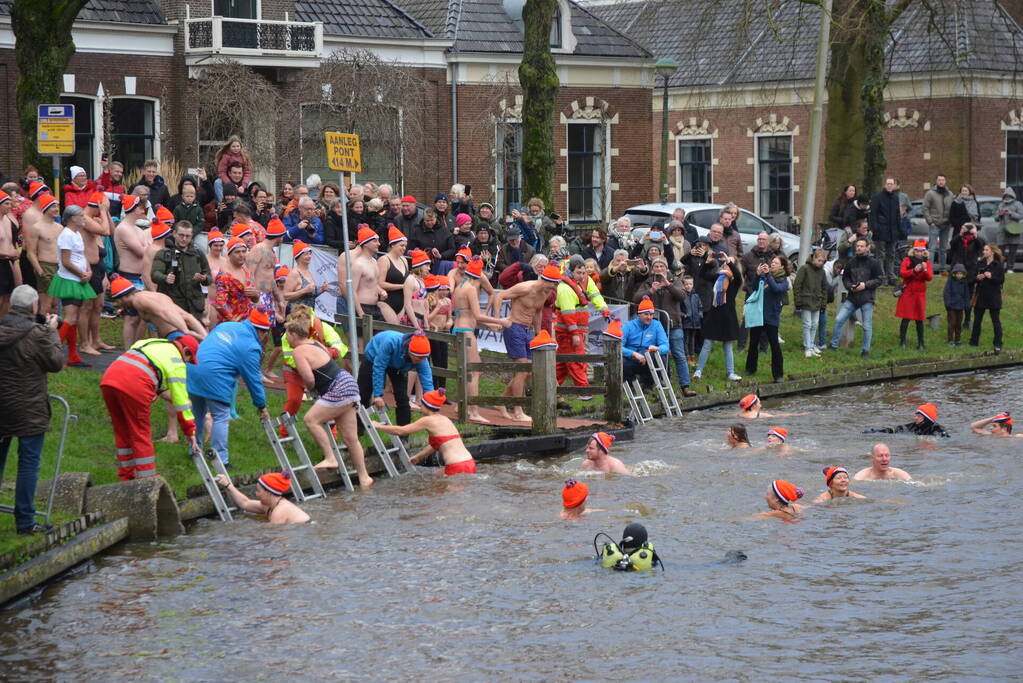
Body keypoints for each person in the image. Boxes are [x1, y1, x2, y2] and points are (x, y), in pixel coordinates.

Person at [0, 286, 63, 534]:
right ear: (34, 307)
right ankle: (25, 522)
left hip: (1, 405)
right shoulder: (39, 334)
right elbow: (56, 363)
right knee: (27, 463)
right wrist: (52, 333)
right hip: (29, 407)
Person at [284, 312, 371, 487]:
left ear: (293, 335)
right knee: (351, 439)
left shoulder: (298, 351)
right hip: (350, 384)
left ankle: (331, 458)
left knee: (311, 420)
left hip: (337, 388)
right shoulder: (317, 343)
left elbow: (308, 378)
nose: (286, 338)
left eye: (287, 335)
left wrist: (310, 390)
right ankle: (364, 477)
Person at [100, 333, 200, 480]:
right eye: (189, 360)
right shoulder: (177, 362)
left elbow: (153, 374)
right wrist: (190, 432)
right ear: (186, 352)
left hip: (109, 379)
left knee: (122, 431)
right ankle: (148, 482)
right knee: (140, 434)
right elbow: (181, 403)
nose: (187, 364)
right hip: (134, 385)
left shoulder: (152, 342)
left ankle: (126, 477)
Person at [187, 309, 272, 467]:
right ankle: (221, 461)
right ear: (262, 332)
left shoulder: (227, 325)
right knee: (221, 417)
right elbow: (254, 381)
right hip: (215, 375)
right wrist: (261, 406)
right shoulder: (251, 347)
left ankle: (194, 451)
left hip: (193, 368)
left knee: (197, 415)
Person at [489, 264, 562, 422]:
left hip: (527, 330)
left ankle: (501, 402)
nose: (556, 287)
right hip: (514, 327)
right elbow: (499, 296)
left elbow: (538, 311)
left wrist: (538, 333)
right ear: (546, 280)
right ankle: (517, 410)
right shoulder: (525, 288)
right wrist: (497, 320)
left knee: (529, 371)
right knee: (522, 371)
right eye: (554, 283)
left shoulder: (546, 291)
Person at [451, 257, 511, 423]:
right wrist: (500, 321)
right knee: (474, 371)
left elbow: (470, 315)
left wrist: (491, 325)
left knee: (465, 370)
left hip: (459, 329)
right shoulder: (470, 288)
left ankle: (459, 405)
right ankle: (473, 411)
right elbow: (476, 315)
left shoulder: (460, 286)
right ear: (477, 276)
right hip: (466, 331)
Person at [279, 304, 347, 436]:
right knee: (294, 400)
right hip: (295, 372)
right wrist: (311, 361)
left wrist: (328, 353)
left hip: (320, 372)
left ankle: (333, 435)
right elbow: (290, 358)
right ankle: (284, 433)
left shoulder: (322, 327)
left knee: (329, 401)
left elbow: (340, 347)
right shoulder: (288, 334)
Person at [374, 388, 476, 475]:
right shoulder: (445, 419)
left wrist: (379, 426)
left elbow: (401, 431)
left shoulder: (427, 420)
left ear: (426, 406)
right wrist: (419, 457)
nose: (420, 407)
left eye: (421, 404)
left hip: (456, 465)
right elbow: (438, 444)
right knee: (435, 477)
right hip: (469, 463)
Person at [633, 257, 695, 396]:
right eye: (656, 266)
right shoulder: (648, 282)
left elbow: (682, 296)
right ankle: (655, 384)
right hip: (654, 326)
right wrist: (650, 291)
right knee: (655, 355)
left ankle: (685, 386)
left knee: (679, 355)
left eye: (662, 266)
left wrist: (669, 285)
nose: (659, 269)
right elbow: (636, 299)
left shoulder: (675, 280)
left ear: (666, 268)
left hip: (673, 324)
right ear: (653, 268)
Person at [49, 205, 97, 366]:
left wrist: (88, 271)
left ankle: (72, 356)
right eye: (81, 215)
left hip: (78, 278)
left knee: (75, 318)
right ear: (72, 218)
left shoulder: (76, 233)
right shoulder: (66, 235)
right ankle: (53, 356)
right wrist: (81, 274)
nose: (84, 217)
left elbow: (81, 256)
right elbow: (66, 261)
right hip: (69, 279)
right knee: (70, 317)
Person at [359, 330, 433, 427]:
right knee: (363, 394)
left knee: (403, 399)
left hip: (398, 367)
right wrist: (378, 395)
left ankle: (404, 435)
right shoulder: (391, 342)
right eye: (419, 359)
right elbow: (379, 367)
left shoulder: (421, 357)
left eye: (424, 358)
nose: (422, 361)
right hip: (374, 357)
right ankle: (357, 431)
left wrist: (431, 404)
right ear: (410, 352)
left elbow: (427, 379)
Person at [826, 238, 883, 357]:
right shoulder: (851, 262)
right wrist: (849, 286)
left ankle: (865, 350)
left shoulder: (874, 263)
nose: (859, 248)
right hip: (852, 297)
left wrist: (865, 285)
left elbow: (879, 279)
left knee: (867, 326)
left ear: (867, 248)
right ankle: (834, 345)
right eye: (857, 246)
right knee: (838, 320)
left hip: (867, 298)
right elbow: (845, 278)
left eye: (861, 246)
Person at [692, 251, 743, 382]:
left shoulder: (734, 281)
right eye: (725, 262)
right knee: (707, 343)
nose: (726, 264)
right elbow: (703, 275)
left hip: (728, 316)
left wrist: (729, 262)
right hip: (714, 314)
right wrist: (707, 263)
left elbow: (738, 276)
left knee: (727, 346)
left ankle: (731, 372)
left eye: (729, 262)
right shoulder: (718, 277)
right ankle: (698, 370)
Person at [107, 276, 207, 339]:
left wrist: (186, 331)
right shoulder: (154, 296)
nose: (118, 304)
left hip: (174, 337)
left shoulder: (139, 301)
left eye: (117, 301)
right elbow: (187, 316)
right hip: (178, 335)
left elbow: (165, 312)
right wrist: (205, 337)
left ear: (124, 297)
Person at [151, 221, 211, 322]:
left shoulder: (198, 254)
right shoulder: (165, 253)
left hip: (194, 307)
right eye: (181, 235)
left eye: (187, 236)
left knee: (194, 336)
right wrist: (165, 278)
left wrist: (203, 278)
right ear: (174, 233)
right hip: (173, 306)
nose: (184, 239)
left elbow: (209, 277)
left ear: (192, 236)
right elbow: (154, 274)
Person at [745, 255, 790, 382]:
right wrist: (758, 274)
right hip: (759, 315)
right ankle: (750, 368)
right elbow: (754, 288)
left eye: (776, 263)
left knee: (774, 345)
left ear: (781, 266)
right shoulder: (765, 276)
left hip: (772, 316)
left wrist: (768, 275)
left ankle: (778, 374)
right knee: (753, 342)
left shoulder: (783, 280)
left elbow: (776, 289)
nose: (773, 264)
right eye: (772, 262)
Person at [113, 194, 151, 347]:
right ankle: (129, 350)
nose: (143, 211)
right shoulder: (123, 228)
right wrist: (149, 245)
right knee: (131, 317)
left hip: (140, 275)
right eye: (141, 208)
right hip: (129, 276)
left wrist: (148, 245)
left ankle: (137, 348)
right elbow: (142, 252)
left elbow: (148, 247)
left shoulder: (136, 228)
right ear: (133, 209)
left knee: (141, 316)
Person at [214, 471, 310, 524]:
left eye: (259, 491)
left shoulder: (279, 511)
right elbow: (245, 503)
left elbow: (273, 537)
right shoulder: (269, 506)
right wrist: (228, 485)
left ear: (269, 493)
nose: (256, 494)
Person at [621, 297, 669, 388]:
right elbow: (619, 347)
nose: (649, 317)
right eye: (646, 314)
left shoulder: (657, 325)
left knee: (660, 357)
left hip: (648, 358)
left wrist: (657, 349)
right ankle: (632, 386)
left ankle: (647, 384)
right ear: (639, 314)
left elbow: (666, 346)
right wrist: (634, 354)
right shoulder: (628, 326)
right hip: (631, 359)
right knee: (621, 362)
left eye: (651, 314)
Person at [895, 240, 933, 350]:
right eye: (917, 250)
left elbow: (929, 277)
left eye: (921, 251)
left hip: (919, 293)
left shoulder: (927, 263)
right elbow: (902, 273)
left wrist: (924, 270)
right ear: (913, 251)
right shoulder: (907, 260)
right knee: (906, 318)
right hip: (908, 292)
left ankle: (921, 343)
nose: (919, 253)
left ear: (924, 252)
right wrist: (914, 271)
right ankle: (902, 342)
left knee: (919, 319)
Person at [969, 244, 1005, 351]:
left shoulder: (998, 265)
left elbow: (1001, 280)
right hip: (981, 295)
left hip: (994, 296)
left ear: (992, 252)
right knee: (977, 320)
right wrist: (977, 278)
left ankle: (998, 343)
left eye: (986, 250)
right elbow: (972, 278)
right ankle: (974, 341)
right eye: (984, 250)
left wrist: (991, 276)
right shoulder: (980, 263)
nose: (984, 252)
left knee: (996, 320)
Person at [213, 237, 257, 323]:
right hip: (231, 325)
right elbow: (219, 304)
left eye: (244, 251)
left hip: (248, 321)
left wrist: (256, 295)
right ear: (229, 254)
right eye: (237, 252)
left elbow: (253, 299)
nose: (241, 255)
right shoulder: (224, 275)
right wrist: (233, 321)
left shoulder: (246, 271)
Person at [793, 249, 828, 358]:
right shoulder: (804, 268)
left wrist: (823, 303)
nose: (820, 263)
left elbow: (824, 288)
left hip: (817, 301)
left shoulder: (822, 272)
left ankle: (812, 345)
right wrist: (798, 301)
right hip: (806, 301)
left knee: (814, 325)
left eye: (822, 261)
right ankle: (807, 347)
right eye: (819, 260)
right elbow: (797, 285)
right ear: (813, 258)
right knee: (807, 324)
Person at [869, 177, 902, 284]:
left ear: (894, 185)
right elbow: (873, 214)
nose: (889, 186)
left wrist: (898, 229)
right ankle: (881, 277)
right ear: (885, 185)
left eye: (891, 184)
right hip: (881, 230)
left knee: (891, 254)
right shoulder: (877, 197)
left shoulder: (896, 198)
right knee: (880, 254)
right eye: (888, 183)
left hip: (893, 231)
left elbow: (897, 215)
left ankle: (890, 276)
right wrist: (875, 228)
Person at [923, 174, 954, 271]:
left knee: (944, 248)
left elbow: (953, 208)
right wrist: (930, 221)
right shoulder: (930, 193)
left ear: (945, 181)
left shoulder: (950, 194)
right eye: (939, 180)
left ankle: (943, 268)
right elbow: (925, 208)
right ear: (936, 181)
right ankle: (929, 269)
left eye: (943, 180)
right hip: (935, 224)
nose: (941, 182)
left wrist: (951, 221)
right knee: (932, 248)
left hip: (946, 224)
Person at [865, 402, 950, 438]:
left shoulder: (937, 429)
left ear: (927, 419)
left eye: (919, 416)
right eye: (916, 415)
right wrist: (877, 431)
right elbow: (896, 429)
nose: (915, 418)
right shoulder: (913, 425)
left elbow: (944, 439)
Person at [996, 187, 1023, 272]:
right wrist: (1000, 214)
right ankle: (1000, 268)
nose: (1007, 198)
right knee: (1000, 251)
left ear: (1013, 196)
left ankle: (1010, 268)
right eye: (1006, 196)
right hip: (1002, 231)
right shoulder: (1001, 205)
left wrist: (1011, 213)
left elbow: (1021, 216)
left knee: (1012, 252)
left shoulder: (1018, 204)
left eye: (1009, 196)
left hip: (1014, 230)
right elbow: (996, 218)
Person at [943, 263, 970, 346]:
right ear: (954, 273)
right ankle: (950, 339)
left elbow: (966, 294)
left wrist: (966, 305)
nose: (959, 275)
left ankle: (958, 339)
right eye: (957, 273)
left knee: (958, 324)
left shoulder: (965, 282)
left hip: (960, 306)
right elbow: (946, 292)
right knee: (952, 323)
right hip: (951, 306)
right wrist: (948, 304)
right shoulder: (950, 281)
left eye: (961, 273)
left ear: (963, 274)